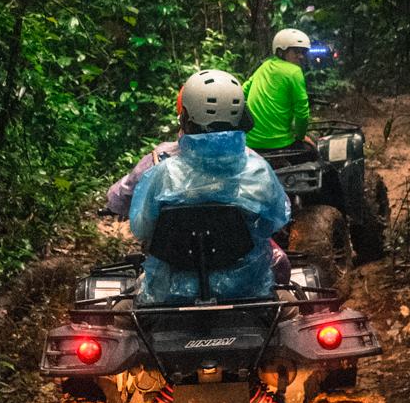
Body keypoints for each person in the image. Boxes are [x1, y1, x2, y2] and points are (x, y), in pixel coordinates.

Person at [129, 70, 291, 304]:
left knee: (122, 314)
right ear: (241, 116)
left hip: (170, 293)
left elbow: (142, 229)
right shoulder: (258, 171)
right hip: (246, 289)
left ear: (186, 117)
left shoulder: (164, 174)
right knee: (290, 310)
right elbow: (277, 219)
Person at [245, 28, 314, 151]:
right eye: (296, 51)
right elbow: (302, 113)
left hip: (250, 143)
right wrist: (300, 138)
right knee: (315, 154)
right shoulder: (295, 72)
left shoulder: (264, 66)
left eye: (303, 52)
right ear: (281, 51)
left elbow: (243, 91)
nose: (301, 56)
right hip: (279, 143)